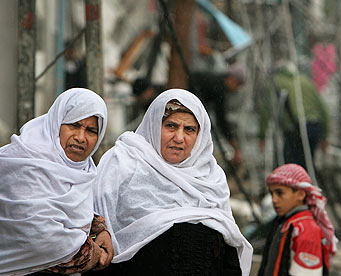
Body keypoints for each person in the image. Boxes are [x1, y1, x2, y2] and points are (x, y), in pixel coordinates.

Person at [88, 89, 253, 275]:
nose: (179, 138)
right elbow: (96, 225)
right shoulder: (124, 162)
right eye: (171, 126)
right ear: (154, 124)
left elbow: (227, 246)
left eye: (189, 129)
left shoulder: (211, 177)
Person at [0, 88, 114, 275]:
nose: (81, 137)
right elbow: (41, 240)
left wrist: (99, 228)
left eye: (91, 131)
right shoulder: (24, 163)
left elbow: (69, 209)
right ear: (56, 123)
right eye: (74, 125)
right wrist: (93, 254)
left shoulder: (83, 171)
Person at [257, 163, 337, 276]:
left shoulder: (306, 229)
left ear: (300, 194)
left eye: (280, 193)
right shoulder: (283, 222)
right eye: (272, 193)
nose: (274, 200)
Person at [258, 63, 330, 171]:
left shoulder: (274, 82)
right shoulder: (305, 81)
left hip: (297, 129)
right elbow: (323, 109)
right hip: (315, 127)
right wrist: (325, 136)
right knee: (308, 164)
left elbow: (265, 111)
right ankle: (310, 183)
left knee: (290, 168)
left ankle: (296, 186)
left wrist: (262, 136)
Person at [189, 62, 247, 166]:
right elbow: (221, 120)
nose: (237, 89)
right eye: (238, 85)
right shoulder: (218, 88)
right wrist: (234, 146)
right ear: (232, 79)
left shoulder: (214, 81)